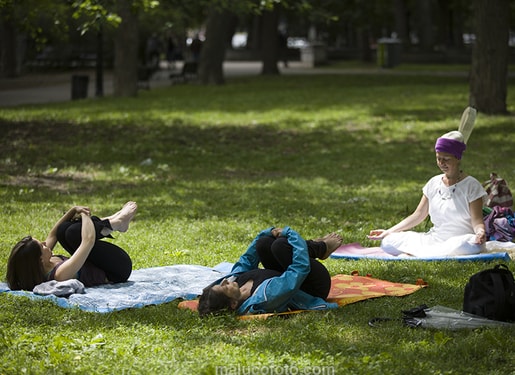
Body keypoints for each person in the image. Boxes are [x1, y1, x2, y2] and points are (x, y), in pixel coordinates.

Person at [368, 130, 487, 257]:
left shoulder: (471, 185)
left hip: (460, 241)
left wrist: (480, 232)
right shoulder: (433, 183)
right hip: (433, 240)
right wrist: (389, 231)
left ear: (458, 158)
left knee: (471, 244)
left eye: (446, 159)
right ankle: (433, 253)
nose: (441, 163)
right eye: (438, 158)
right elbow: (418, 215)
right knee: (388, 242)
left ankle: (421, 253)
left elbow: (477, 221)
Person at [198, 226, 342, 316]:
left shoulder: (235, 283)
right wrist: (292, 234)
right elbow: (299, 269)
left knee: (263, 243)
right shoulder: (267, 296)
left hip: (287, 273)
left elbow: (247, 259)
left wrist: (266, 233)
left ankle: (312, 246)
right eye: (224, 288)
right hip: (312, 286)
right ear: (234, 304)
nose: (224, 281)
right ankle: (320, 247)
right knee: (280, 245)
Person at [6, 201, 137, 291]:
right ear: (39, 259)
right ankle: (116, 222)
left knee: (63, 230)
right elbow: (88, 241)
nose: (46, 243)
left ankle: (114, 222)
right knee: (74, 233)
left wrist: (73, 210)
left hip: (98, 263)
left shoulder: (44, 262)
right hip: (116, 269)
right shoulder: (59, 274)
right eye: (42, 246)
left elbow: (53, 234)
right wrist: (85, 215)